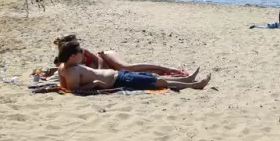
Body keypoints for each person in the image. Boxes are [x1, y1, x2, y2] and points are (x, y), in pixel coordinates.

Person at [50, 40, 210, 93]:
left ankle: (187, 79)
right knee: (158, 82)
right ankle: (194, 85)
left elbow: (64, 87)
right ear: (72, 56)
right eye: (80, 53)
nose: (82, 56)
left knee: (155, 78)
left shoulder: (64, 68)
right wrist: (94, 85)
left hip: (119, 76)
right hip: (118, 80)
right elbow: (73, 90)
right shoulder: (71, 70)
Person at [37, 34, 187, 78]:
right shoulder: (65, 60)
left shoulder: (83, 52)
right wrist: (49, 72)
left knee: (126, 67)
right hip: (107, 70)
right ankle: (164, 73)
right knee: (135, 74)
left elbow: (98, 60)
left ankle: (168, 68)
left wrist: (101, 72)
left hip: (106, 57)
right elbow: (62, 68)